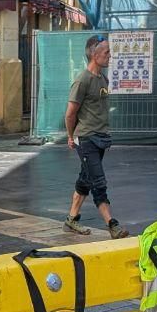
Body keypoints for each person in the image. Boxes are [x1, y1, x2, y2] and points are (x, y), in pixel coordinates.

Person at [63, 36, 130, 239]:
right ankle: (112, 224)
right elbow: (70, 113)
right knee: (98, 181)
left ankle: (71, 220)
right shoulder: (82, 80)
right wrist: (70, 136)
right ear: (94, 54)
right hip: (86, 138)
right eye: (107, 52)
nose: (110, 56)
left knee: (86, 178)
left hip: (101, 138)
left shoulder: (102, 79)